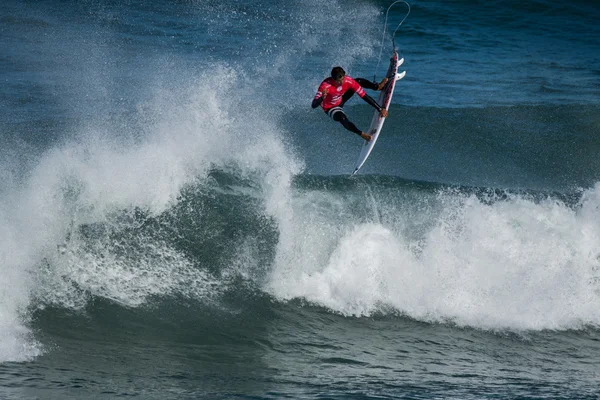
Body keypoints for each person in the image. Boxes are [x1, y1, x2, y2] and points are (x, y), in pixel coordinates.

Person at [312, 66, 388, 141]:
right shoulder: (325, 86)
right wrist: (322, 98)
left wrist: (380, 109)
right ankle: (362, 134)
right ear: (334, 80)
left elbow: (364, 96)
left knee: (357, 81)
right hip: (330, 107)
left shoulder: (348, 80)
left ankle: (377, 87)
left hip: (340, 99)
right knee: (342, 118)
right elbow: (313, 105)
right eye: (339, 81)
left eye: (343, 79)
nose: (342, 82)